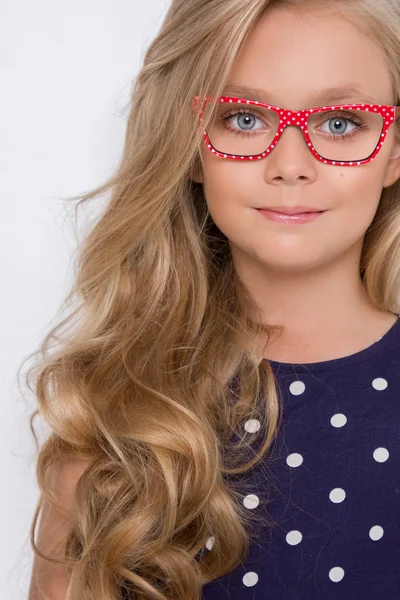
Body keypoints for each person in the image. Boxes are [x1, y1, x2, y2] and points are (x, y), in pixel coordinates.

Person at [25, 0, 400, 599]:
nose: (291, 165)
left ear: (394, 149)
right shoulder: (118, 408)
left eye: (339, 122)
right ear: (192, 143)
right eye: (245, 118)